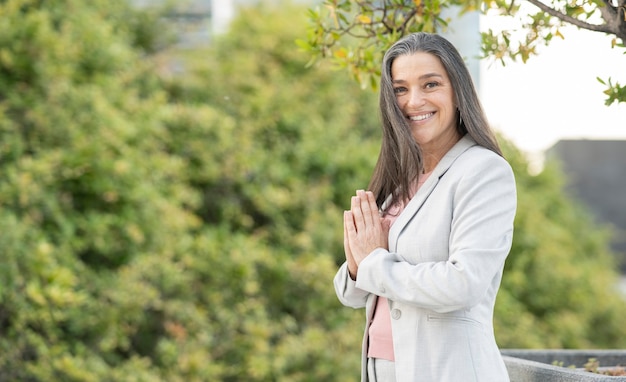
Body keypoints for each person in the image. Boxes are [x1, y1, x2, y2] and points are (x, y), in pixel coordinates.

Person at [333, 32, 517, 382]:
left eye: (430, 84)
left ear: (458, 92)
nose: (413, 101)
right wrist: (358, 264)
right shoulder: (402, 180)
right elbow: (353, 293)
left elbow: (463, 283)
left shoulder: (483, 171)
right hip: (382, 371)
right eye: (400, 89)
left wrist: (373, 261)